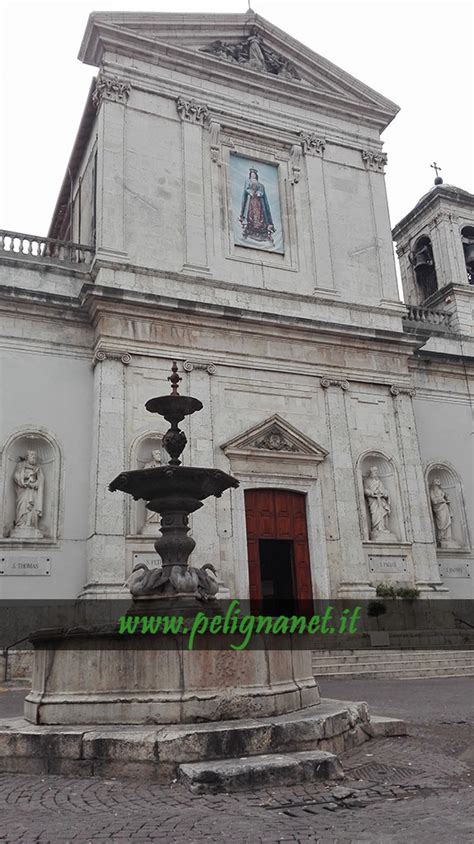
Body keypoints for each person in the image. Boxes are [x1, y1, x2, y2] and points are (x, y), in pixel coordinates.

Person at [239, 168, 276, 245]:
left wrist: (260, 193)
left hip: (259, 203)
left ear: (256, 175)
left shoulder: (260, 184)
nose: (253, 175)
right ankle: (249, 227)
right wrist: (250, 191)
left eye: (254, 174)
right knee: (250, 214)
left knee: (260, 215)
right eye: (252, 174)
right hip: (251, 201)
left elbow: (262, 191)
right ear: (250, 175)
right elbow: (246, 189)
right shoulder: (248, 181)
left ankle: (263, 229)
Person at [12, 449, 44, 537]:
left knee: (32, 508)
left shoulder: (37, 468)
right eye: (32, 455)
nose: (34, 457)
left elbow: (41, 481)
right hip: (23, 491)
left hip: (33, 492)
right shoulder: (20, 465)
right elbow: (16, 476)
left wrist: (35, 484)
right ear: (27, 457)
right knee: (22, 506)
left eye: (35, 456)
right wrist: (27, 477)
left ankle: (31, 525)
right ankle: (21, 523)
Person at [363, 465, 392, 538]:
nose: (376, 472)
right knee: (375, 514)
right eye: (374, 471)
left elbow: (384, 490)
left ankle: (383, 527)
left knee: (382, 512)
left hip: (381, 500)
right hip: (373, 501)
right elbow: (365, 490)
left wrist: (383, 493)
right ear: (371, 472)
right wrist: (373, 493)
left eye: (376, 471)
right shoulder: (367, 481)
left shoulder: (380, 482)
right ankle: (376, 528)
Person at [430, 478, 456, 546]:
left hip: (445, 508)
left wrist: (446, 498)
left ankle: (447, 537)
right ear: (434, 482)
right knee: (441, 522)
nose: (439, 481)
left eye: (439, 480)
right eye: (437, 480)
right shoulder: (432, 491)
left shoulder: (442, 491)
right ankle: (442, 537)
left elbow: (446, 499)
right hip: (439, 509)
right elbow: (434, 501)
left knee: (447, 522)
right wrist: (442, 499)